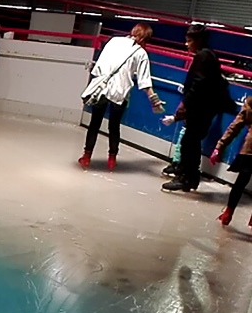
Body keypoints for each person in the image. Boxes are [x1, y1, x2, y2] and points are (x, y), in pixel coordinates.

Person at [77, 23, 164, 171]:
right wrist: (154, 100)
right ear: (146, 38)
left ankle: (86, 157)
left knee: (94, 123)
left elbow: (99, 66)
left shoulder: (114, 41)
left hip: (102, 90)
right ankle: (111, 159)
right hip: (120, 93)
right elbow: (144, 81)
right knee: (114, 126)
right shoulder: (141, 53)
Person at [161, 24, 236, 192]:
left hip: (202, 109)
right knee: (190, 141)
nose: (186, 44)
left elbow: (198, 83)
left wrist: (185, 103)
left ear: (198, 40)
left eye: (189, 41)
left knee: (190, 142)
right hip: (205, 108)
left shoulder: (203, 56)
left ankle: (188, 178)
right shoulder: (208, 55)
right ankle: (187, 175)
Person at [209, 97, 252, 226]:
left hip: (250, 150)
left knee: (241, 182)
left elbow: (235, 126)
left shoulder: (251, 102)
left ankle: (228, 213)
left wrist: (219, 147)